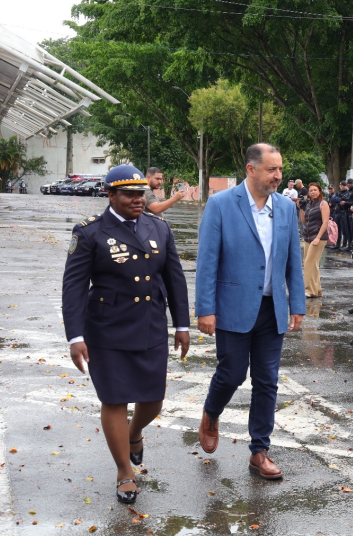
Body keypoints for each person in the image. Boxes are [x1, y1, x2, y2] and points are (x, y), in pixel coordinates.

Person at [62, 164, 191, 504]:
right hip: (107, 329)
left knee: (153, 400)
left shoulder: (159, 228)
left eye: (141, 193)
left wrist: (182, 325)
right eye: (130, 194)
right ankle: (124, 472)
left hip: (150, 324)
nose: (138, 199)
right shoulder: (90, 232)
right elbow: (74, 287)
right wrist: (75, 336)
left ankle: (134, 434)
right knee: (114, 399)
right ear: (110, 195)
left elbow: (174, 278)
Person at [195, 143, 305, 481]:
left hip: (272, 308)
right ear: (250, 169)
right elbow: (207, 260)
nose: (278, 176)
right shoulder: (221, 204)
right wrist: (206, 309)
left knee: (267, 380)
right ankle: (211, 413)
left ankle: (260, 451)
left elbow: (293, 262)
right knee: (231, 373)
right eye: (272, 169)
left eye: (280, 170)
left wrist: (297, 304)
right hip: (232, 307)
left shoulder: (285, 208)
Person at [300, 182, 330, 298]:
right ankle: (317, 290)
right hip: (308, 237)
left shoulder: (323, 204)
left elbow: (325, 222)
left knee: (309, 263)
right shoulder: (309, 205)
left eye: (315, 190)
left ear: (319, 191)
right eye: (311, 190)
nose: (313, 192)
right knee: (313, 264)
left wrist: (318, 237)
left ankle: (310, 290)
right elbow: (304, 222)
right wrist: (302, 209)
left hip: (318, 238)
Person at [342, 178, 353, 250]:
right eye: (347, 184)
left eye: (350, 183)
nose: (348, 185)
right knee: (347, 229)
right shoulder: (349, 192)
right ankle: (349, 245)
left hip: (352, 212)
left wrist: (345, 203)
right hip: (346, 212)